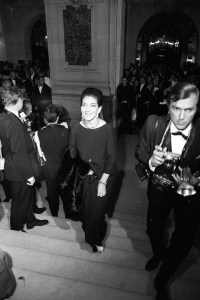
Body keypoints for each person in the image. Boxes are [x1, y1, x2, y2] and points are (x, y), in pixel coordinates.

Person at [135, 82, 200, 300]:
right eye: (176, 108)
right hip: (159, 188)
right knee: (153, 229)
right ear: (168, 105)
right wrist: (151, 162)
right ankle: (158, 253)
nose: (181, 117)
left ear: (197, 108)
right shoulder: (153, 123)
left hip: (189, 192)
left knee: (183, 239)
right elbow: (140, 150)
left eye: (188, 109)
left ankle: (162, 278)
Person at [70, 87, 116, 252]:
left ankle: (97, 240)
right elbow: (72, 154)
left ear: (100, 109)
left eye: (92, 105)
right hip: (83, 179)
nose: (87, 109)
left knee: (97, 215)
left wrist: (103, 181)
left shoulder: (107, 130)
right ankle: (90, 236)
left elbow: (112, 159)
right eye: (84, 105)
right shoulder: (75, 127)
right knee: (84, 214)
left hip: (102, 179)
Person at [0, 86, 49, 231]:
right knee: (19, 203)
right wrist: (29, 175)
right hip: (20, 170)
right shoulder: (14, 124)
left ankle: (30, 220)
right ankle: (16, 229)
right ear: (19, 101)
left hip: (14, 166)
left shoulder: (4, 116)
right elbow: (19, 154)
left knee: (25, 199)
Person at [37, 104, 69, 217]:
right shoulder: (65, 131)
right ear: (58, 118)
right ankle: (68, 214)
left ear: (44, 119)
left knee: (52, 192)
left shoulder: (40, 133)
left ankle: (54, 213)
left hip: (49, 168)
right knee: (66, 192)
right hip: (64, 168)